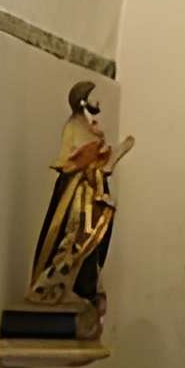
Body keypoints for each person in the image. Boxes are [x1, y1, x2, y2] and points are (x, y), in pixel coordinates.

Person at [25, 81, 135, 308]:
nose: (99, 103)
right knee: (75, 240)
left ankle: (83, 288)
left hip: (91, 190)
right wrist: (92, 157)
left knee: (93, 242)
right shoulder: (73, 126)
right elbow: (68, 159)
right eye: (95, 97)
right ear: (83, 100)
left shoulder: (89, 126)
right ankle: (60, 287)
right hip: (77, 193)